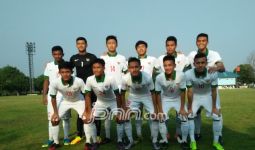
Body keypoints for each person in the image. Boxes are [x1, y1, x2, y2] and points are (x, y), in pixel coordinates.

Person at [49, 61, 97, 150]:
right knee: (54, 120)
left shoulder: (79, 81)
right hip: (65, 101)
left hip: (79, 100)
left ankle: (89, 142)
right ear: (59, 72)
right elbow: (53, 98)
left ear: (71, 72)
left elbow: (87, 95)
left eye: (67, 72)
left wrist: (88, 111)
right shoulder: (55, 82)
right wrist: (55, 113)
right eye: (62, 72)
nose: (65, 74)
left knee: (87, 119)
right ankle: (56, 142)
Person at [187, 33, 225, 143]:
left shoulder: (214, 54)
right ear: (196, 42)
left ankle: (219, 136)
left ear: (207, 42)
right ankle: (197, 133)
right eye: (199, 41)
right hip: (196, 91)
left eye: (204, 41)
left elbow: (222, 67)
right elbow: (185, 66)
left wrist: (216, 67)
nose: (201, 43)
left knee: (217, 112)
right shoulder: (192, 54)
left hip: (210, 91)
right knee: (195, 113)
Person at [84, 58, 126, 150]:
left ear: (103, 68)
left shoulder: (110, 78)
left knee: (120, 119)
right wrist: (88, 110)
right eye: (94, 67)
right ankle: (94, 142)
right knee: (90, 119)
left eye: (98, 67)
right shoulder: (89, 79)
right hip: (100, 102)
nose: (96, 69)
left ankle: (120, 141)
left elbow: (118, 95)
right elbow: (87, 95)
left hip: (113, 101)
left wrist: (119, 111)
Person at [156, 36, 190, 142]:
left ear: (176, 45)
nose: (170, 47)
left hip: (178, 88)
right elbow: (155, 72)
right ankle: (165, 136)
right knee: (162, 116)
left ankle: (179, 133)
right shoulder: (161, 58)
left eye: (172, 45)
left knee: (181, 115)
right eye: (168, 45)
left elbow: (188, 70)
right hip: (165, 90)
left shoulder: (182, 56)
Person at [121, 57, 160, 150]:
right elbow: (122, 93)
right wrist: (124, 107)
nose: (134, 69)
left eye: (136, 67)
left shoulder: (147, 77)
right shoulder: (125, 78)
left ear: (140, 67)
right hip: (133, 97)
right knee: (126, 116)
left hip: (146, 96)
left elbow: (153, 93)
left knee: (154, 117)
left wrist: (155, 109)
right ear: (128, 68)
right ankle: (130, 141)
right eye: (131, 67)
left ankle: (154, 141)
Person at [69, 37, 100, 144]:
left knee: (95, 111)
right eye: (79, 43)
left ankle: (98, 134)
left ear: (86, 45)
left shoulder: (92, 57)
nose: (81, 45)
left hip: (91, 88)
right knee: (81, 112)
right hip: (79, 89)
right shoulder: (73, 58)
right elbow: (67, 69)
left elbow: (98, 67)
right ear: (76, 45)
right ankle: (79, 135)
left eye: (83, 43)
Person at [42, 46, 71, 147]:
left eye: (59, 54)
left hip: (65, 95)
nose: (57, 56)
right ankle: (52, 139)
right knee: (51, 118)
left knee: (65, 118)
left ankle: (66, 138)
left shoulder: (67, 65)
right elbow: (46, 81)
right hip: (51, 95)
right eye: (55, 54)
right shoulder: (49, 65)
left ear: (63, 54)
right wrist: (44, 95)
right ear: (52, 55)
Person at [100, 35, 127, 144]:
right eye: (109, 43)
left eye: (113, 43)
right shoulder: (102, 58)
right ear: (106, 45)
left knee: (119, 114)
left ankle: (120, 138)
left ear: (116, 44)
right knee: (106, 115)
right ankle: (107, 137)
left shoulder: (122, 58)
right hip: (106, 90)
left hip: (118, 91)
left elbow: (125, 72)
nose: (111, 45)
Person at [134, 40, 158, 142]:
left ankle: (153, 135)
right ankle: (139, 135)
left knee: (150, 114)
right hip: (136, 92)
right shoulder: (132, 61)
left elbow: (161, 67)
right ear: (136, 49)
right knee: (138, 114)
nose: (141, 48)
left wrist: (177, 55)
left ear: (146, 48)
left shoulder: (153, 59)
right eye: (138, 47)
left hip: (148, 92)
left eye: (143, 46)